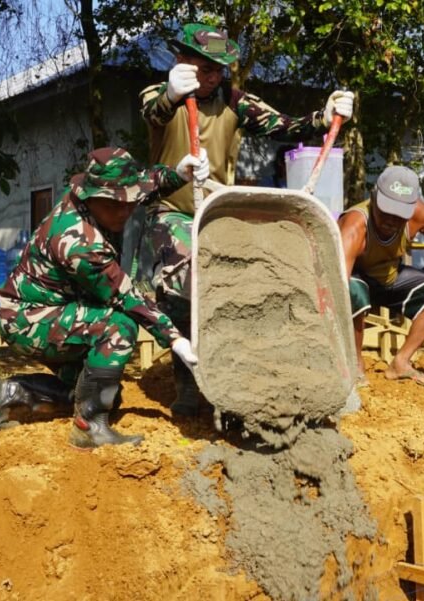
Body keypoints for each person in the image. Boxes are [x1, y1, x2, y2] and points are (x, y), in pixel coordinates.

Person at [137, 23, 354, 415]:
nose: (212, 77)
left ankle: (263, 371)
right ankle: (188, 381)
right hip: (172, 210)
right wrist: (172, 92)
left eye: (219, 70)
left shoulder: (233, 102)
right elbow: (154, 112)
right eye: (204, 69)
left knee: (263, 274)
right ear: (182, 60)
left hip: (220, 211)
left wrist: (323, 118)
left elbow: (283, 125)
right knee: (186, 277)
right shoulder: (158, 95)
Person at [0, 147, 209, 449]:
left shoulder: (109, 196)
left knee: (104, 394)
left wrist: (178, 174)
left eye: (128, 203)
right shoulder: (76, 240)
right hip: (29, 319)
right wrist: (176, 339)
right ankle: (89, 429)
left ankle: (9, 393)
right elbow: (125, 295)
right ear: (92, 196)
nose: (124, 212)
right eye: (115, 205)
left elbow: (145, 184)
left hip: (60, 309)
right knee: (120, 326)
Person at [339, 166, 424, 386]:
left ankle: (401, 362)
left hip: (389, 279)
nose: (391, 221)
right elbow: (339, 285)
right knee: (354, 291)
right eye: (386, 211)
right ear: (374, 198)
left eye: (399, 215)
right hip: (356, 280)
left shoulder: (418, 214)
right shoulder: (355, 226)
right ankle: (354, 364)